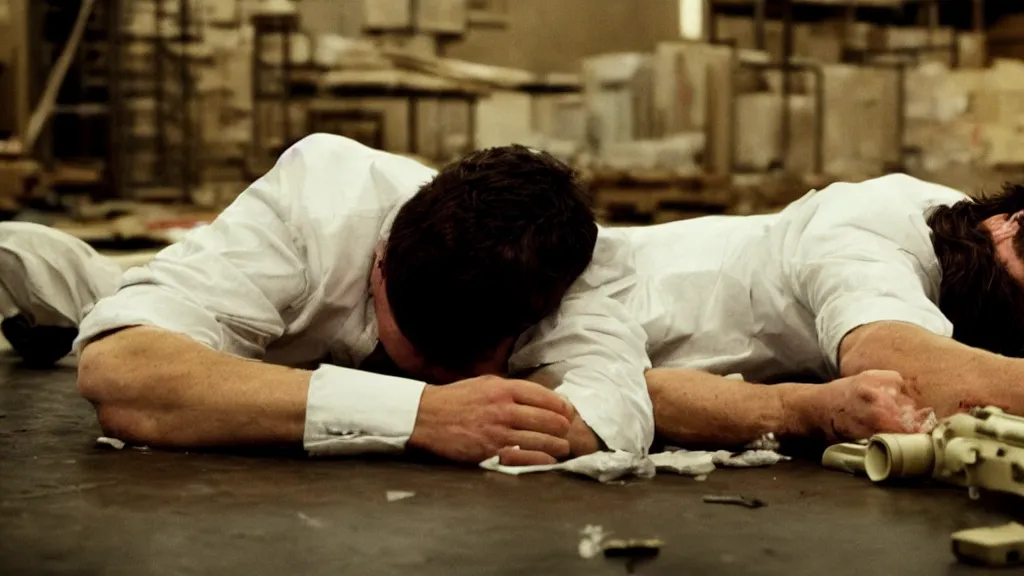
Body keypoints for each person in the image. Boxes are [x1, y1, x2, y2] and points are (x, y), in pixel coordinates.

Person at [3, 134, 653, 465]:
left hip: (270, 364)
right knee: (97, 294)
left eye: (445, 364)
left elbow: (612, 410)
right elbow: (123, 375)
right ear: (380, 257)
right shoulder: (320, 203)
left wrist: (563, 420)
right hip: (244, 318)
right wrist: (419, 412)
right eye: (406, 339)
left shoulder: (557, 267)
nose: (416, 368)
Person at [614, 174, 1024, 447]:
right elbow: (900, 369)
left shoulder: (965, 239)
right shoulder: (872, 231)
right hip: (586, 314)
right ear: (1012, 223)